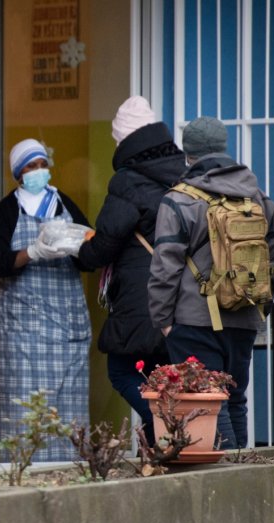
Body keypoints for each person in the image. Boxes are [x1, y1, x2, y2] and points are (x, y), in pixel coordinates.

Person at [148, 116, 274, 450]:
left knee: (206, 399)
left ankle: (225, 473)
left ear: (188, 152)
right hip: (244, 315)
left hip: (194, 319)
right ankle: (240, 470)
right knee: (235, 398)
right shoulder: (258, 197)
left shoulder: (178, 199)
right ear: (224, 146)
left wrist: (163, 321)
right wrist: (258, 308)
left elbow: (165, 267)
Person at [75, 96, 183, 445]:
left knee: (122, 371)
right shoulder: (183, 173)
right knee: (161, 374)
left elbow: (106, 242)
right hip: (182, 293)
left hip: (143, 295)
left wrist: (81, 252)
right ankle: (160, 449)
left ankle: (171, 422)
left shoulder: (128, 182)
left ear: (124, 140)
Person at [0, 138, 91, 462]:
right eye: (31, 166)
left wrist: (75, 246)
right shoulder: (6, 211)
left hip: (66, 327)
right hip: (21, 330)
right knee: (21, 405)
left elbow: (91, 254)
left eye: (42, 164)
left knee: (66, 406)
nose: (38, 171)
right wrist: (32, 252)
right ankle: (17, 466)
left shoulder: (65, 204)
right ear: (19, 173)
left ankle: (68, 466)